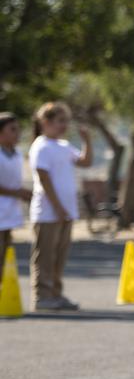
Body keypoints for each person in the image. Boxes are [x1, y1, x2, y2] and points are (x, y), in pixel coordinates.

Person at [29, 103, 92, 311]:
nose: (64, 125)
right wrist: (57, 206)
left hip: (65, 211)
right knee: (45, 255)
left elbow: (85, 162)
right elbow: (44, 178)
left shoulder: (64, 146)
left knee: (59, 255)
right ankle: (42, 295)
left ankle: (56, 293)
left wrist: (87, 141)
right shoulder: (42, 146)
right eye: (60, 121)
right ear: (46, 123)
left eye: (66, 121)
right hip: (48, 212)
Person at [0, 112, 31, 260]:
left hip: (8, 214)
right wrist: (16, 193)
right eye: (12, 129)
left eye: (18, 129)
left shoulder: (17, 153)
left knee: (4, 258)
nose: (17, 133)